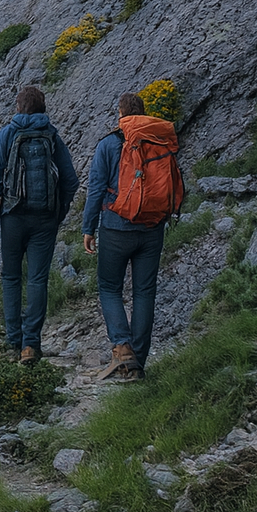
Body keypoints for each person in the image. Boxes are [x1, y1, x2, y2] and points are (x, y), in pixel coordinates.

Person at [83, 92, 182, 382]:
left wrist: (88, 228)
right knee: (144, 292)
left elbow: (96, 189)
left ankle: (123, 348)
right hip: (153, 227)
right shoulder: (159, 141)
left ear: (120, 114)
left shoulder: (109, 144)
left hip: (116, 227)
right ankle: (137, 362)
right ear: (143, 112)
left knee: (110, 288)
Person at [0, 87, 79, 364]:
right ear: (43, 107)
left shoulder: (5, 136)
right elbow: (71, 181)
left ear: (17, 106)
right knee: (37, 279)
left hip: (12, 216)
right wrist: (58, 212)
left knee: (11, 277)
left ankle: (14, 339)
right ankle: (31, 345)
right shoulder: (52, 136)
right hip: (45, 217)